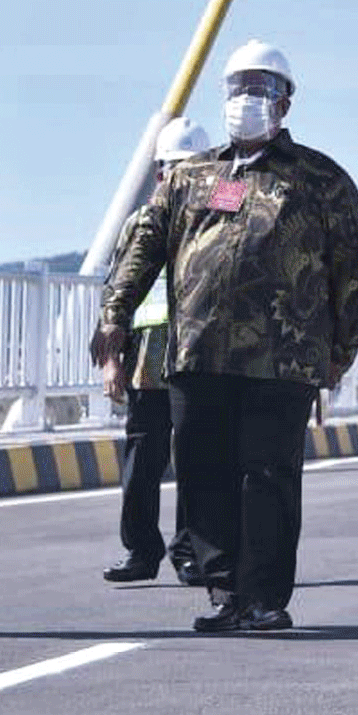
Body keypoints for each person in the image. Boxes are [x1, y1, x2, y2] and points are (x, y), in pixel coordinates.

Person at [93, 41, 358, 634]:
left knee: (268, 477)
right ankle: (226, 592)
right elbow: (145, 248)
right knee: (203, 472)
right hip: (198, 354)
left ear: (286, 102)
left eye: (261, 88)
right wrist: (114, 315)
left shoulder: (322, 180)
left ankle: (266, 597)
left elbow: (353, 269)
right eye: (238, 86)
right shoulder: (192, 177)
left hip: (283, 360)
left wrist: (343, 348)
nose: (247, 99)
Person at [98, 116, 210, 588]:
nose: (177, 179)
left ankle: (190, 551)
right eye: (170, 169)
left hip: (200, 352)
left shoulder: (217, 222)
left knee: (195, 457)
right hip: (147, 353)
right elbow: (115, 290)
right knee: (143, 459)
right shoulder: (139, 224)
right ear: (160, 174)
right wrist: (110, 359)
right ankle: (141, 550)